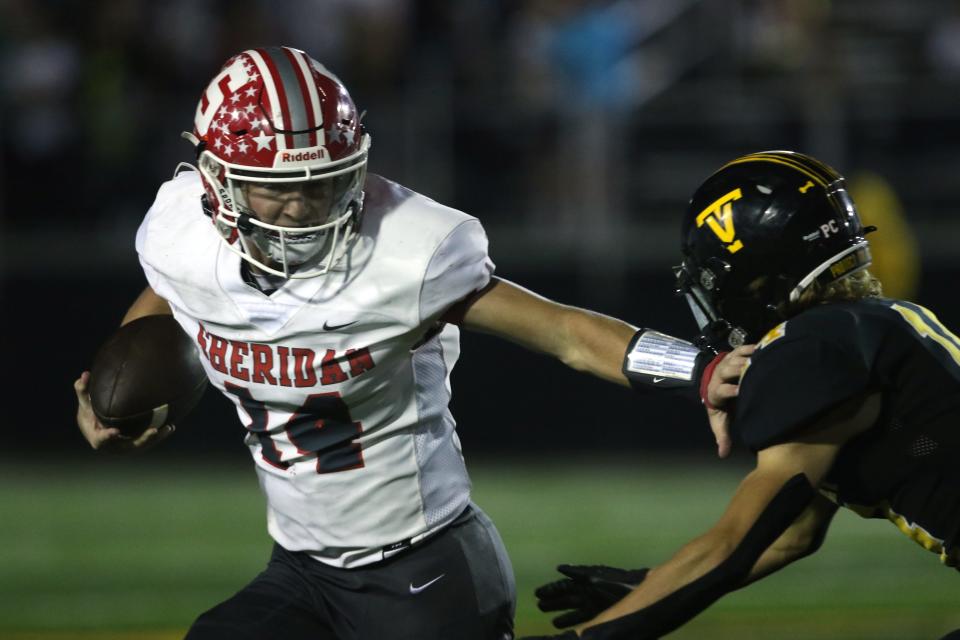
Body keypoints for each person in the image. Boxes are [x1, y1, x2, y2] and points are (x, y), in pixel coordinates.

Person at [72, 46, 748, 640]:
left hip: (424, 571)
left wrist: (699, 371)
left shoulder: (409, 251)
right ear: (218, 182)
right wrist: (115, 393)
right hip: (303, 568)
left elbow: (564, 332)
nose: (306, 207)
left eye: (324, 180)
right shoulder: (181, 236)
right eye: (281, 190)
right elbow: (170, 288)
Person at [523, 150, 960, 640]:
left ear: (755, 275)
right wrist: (649, 586)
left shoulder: (812, 350)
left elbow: (731, 546)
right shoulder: (873, 324)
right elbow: (790, 535)